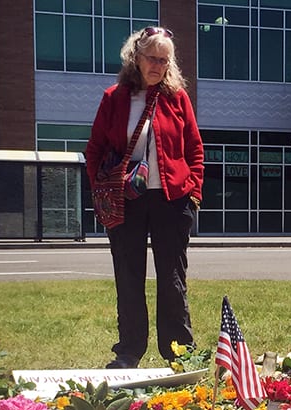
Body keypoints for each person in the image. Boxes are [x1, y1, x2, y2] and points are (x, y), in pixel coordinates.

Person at [86, 26, 204, 369]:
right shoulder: (114, 97)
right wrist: (101, 188)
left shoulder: (177, 98)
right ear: (135, 58)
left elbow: (195, 148)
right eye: (152, 57)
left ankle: (179, 351)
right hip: (126, 201)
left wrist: (193, 191)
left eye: (164, 60)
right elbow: (95, 148)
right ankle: (128, 352)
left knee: (172, 277)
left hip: (172, 200)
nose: (157, 65)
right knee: (128, 273)